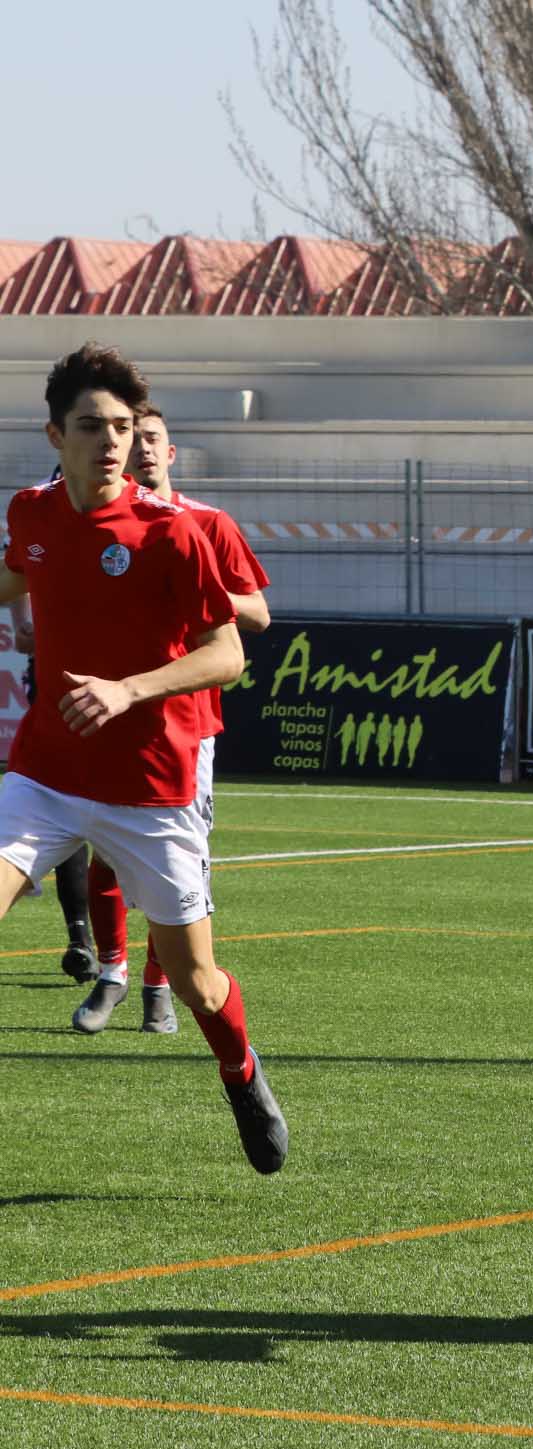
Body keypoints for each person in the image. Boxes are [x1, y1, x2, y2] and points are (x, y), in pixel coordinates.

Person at [0, 343, 285, 1172]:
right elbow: (13, 579)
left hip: (149, 789)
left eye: (122, 426)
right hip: (45, 775)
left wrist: (129, 689)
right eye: (92, 425)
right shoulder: (31, 513)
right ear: (54, 434)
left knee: (197, 982)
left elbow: (227, 652)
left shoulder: (174, 533)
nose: (112, 441)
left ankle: (240, 1069)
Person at [72, 404, 271, 1036]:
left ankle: (160, 987)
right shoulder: (102, 524)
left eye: (155, 439)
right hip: (112, 710)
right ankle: (112, 974)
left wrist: (196, 587)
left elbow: (259, 615)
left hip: (186, 723)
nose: (144, 451)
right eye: (136, 440)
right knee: (102, 852)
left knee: (174, 863)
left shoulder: (207, 523)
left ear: (171, 451)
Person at [5, 530, 98, 982]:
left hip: (119, 696)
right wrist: (27, 625)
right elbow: (16, 575)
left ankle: (124, 966)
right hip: (54, 688)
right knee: (62, 802)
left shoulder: (156, 521)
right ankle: (83, 939)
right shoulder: (41, 514)